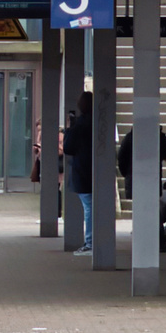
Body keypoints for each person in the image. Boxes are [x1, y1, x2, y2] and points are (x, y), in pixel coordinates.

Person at [63, 91, 94, 256]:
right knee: (93, 206)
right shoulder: (97, 122)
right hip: (95, 170)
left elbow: (68, 147)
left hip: (82, 170)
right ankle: (93, 241)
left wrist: (69, 128)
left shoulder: (79, 125)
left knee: (88, 207)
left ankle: (90, 243)